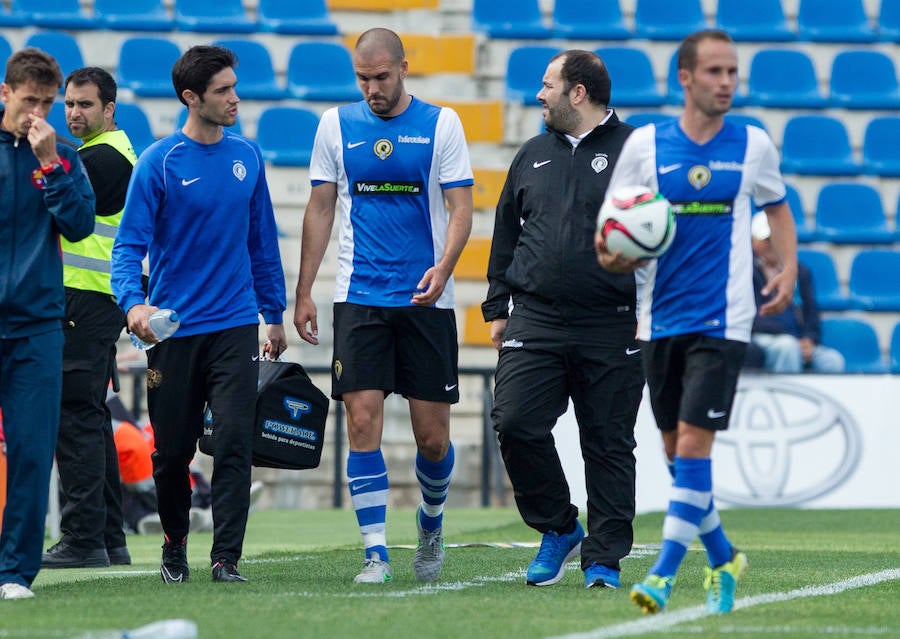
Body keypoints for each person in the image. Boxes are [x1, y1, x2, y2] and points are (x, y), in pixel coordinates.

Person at [595, 30, 798, 614]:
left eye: (732, 72)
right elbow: (609, 237)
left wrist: (786, 267)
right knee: (676, 455)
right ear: (685, 78)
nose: (726, 82)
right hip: (658, 321)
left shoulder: (752, 144)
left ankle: (661, 575)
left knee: (692, 446)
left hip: (723, 320)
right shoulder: (645, 147)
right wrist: (617, 251)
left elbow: (776, 205)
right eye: (714, 72)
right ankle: (724, 556)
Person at [293, 28, 473, 584]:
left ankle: (432, 520)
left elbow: (460, 206)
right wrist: (304, 291)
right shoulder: (334, 125)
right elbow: (320, 209)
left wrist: (444, 268)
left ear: (403, 67)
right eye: (363, 79)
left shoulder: (442, 123)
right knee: (362, 420)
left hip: (426, 299)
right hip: (360, 297)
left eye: (381, 77)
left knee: (432, 438)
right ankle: (375, 552)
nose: (372, 88)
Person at [110, 45, 287, 584]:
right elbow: (126, 249)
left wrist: (273, 313)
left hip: (235, 325)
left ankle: (226, 559)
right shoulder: (158, 162)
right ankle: (174, 543)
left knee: (235, 442)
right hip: (175, 333)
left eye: (234, 86)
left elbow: (263, 242)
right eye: (222, 91)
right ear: (191, 98)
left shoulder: (249, 156)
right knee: (172, 453)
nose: (235, 98)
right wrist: (133, 303)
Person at [481, 50, 643, 590]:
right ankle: (558, 525)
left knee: (608, 442)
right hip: (537, 318)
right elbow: (506, 232)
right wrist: (497, 305)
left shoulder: (638, 152)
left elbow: (666, 232)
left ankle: (604, 559)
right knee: (515, 421)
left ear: (578, 92)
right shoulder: (530, 153)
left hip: (614, 321)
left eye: (547, 85)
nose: (538, 94)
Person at [0, 48, 95, 599]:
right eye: (29, 99)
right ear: (5, 93)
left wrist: (51, 165)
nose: (38, 112)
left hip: (38, 326)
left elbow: (81, 225)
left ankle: (13, 573)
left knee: (33, 451)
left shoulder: (63, 157)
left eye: (47, 102)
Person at [41, 67, 137, 570]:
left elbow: (55, 214)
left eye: (85, 105)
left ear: (109, 110)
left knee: (75, 419)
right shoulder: (104, 153)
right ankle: (106, 538)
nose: (75, 113)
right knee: (92, 421)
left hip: (84, 302)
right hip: (94, 303)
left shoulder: (99, 158)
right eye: (69, 105)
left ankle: (82, 540)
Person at [750, 212, 844, 373]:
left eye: (776, 238)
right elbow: (750, 318)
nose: (772, 243)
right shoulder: (746, 271)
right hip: (761, 339)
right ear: (753, 241)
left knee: (832, 360)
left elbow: (812, 314)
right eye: (767, 239)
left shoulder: (800, 272)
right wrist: (793, 339)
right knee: (788, 347)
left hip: (797, 341)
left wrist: (809, 340)